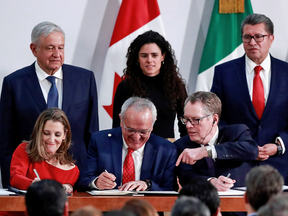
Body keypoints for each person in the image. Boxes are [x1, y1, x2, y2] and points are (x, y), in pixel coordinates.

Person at [0, 21, 98, 188]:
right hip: (31, 180)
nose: (56, 54)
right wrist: (11, 183)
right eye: (50, 48)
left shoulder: (85, 79)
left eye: (61, 48)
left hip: (76, 176)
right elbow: (6, 139)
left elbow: (92, 134)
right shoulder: (14, 83)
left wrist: (91, 178)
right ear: (34, 49)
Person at [211, 13, 288, 184]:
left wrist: (279, 145)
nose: (252, 42)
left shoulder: (286, 72)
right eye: (247, 37)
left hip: (281, 165)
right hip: (237, 166)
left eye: (258, 37)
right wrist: (243, 147)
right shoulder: (224, 73)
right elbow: (216, 119)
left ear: (271, 38)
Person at [77, 97, 178, 191]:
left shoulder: (166, 150)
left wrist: (148, 185)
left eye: (143, 131)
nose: (136, 137)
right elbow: (83, 180)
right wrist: (96, 182)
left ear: (152, 125)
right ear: (121, 120)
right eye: (130, 130)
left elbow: (170, 189)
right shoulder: (100, 141)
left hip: (147, 208)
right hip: (108, 208)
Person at [175, 91, 258, 191]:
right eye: (186, 119)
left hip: (240, 201)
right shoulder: (181, 145)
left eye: (195, 119)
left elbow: (252, 150)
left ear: (214, 119)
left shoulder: (236, 132)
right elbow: (186, 176)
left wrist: (206, 151)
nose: (188, 125)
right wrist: (211, 182)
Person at [112, 30, 187, 140]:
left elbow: (185, 126)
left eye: (154, 55)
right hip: (134, 150)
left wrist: (183, 149)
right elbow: (117, 127)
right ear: (137, 58)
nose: (149, 60)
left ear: (163, 56)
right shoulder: (125, 87)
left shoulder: (176, 86)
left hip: (166, 151)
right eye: (144, 56)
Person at [10, 108, 79, 193]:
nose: (51, 139)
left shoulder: (73, 171)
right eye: (46, 133)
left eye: (57, 134)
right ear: (38, 132)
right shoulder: (25, 150)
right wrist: (33, 184)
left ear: (64, 135)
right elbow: (15, 179)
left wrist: (66, 188)